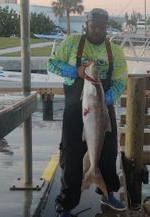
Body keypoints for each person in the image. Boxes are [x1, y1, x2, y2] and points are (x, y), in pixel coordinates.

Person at [47, 8, 128, 217]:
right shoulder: (72, 43)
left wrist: (106, 99)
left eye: (101, 27)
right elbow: (52, 64)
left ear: (106, 27)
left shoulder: (115, 51)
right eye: (94, 26)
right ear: (87, 24)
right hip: (75, 110)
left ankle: (108, 193)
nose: (97, 30)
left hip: (102, 111)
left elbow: (121, 81)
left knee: (108, 155)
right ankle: (66, 203)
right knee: (71, 157)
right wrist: (76, 71)